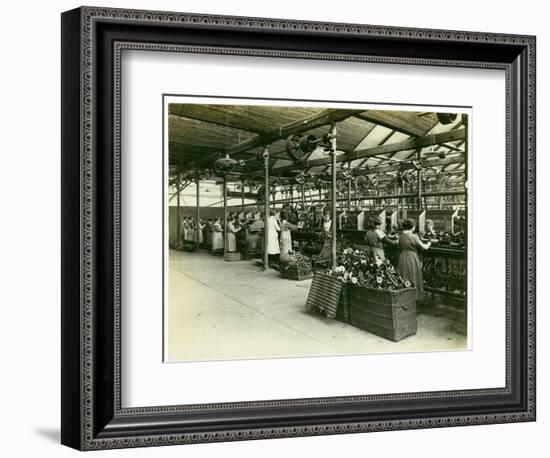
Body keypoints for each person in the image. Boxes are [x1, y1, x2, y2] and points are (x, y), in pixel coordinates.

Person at [398, 219, 431, 299]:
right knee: (413, 276)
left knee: (404, 276)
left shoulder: (401, 236)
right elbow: (424, 248)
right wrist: (429, 243)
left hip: (402, 256)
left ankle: (404, 296)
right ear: (413, 227)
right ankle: (414, 297)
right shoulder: (413, 236)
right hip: (411, 257)